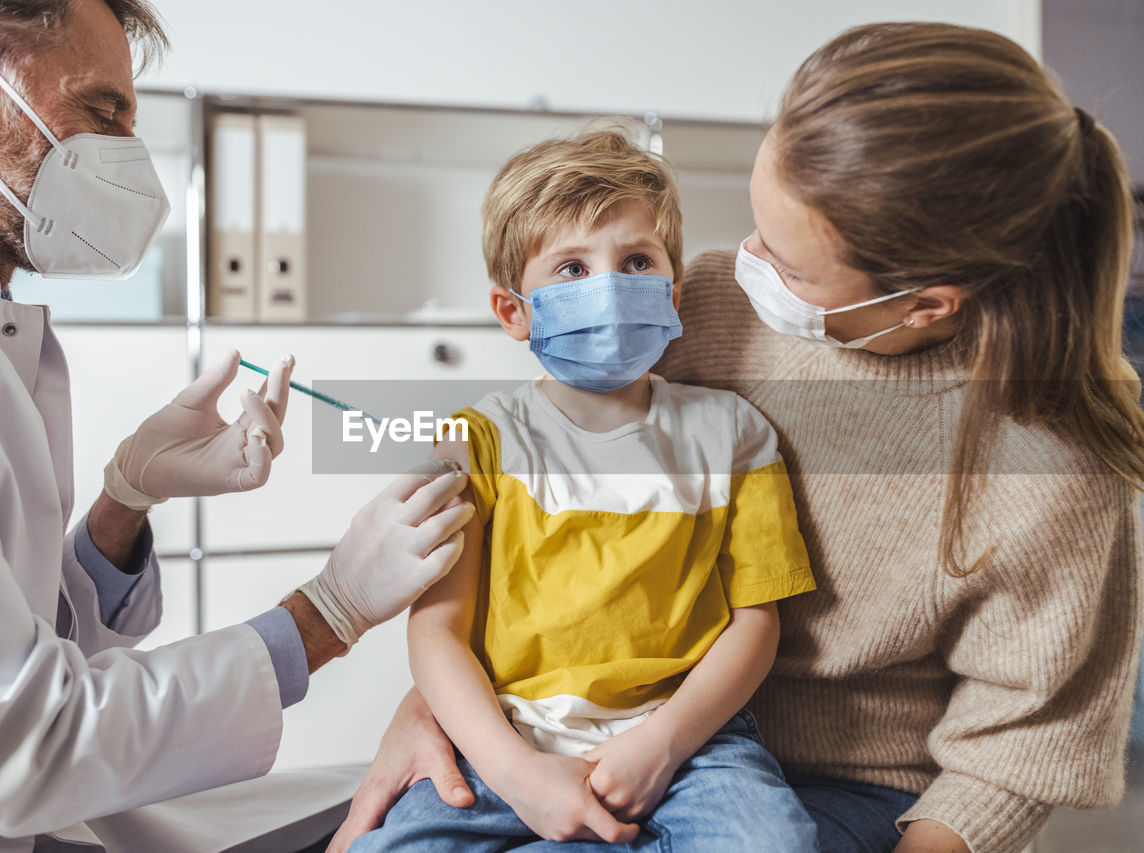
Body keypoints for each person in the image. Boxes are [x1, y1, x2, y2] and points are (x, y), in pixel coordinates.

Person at [329, 22, 1144, 853]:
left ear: (926, 303)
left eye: (786, 265)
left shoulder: (1060, 462)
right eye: (755, 226)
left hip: (856, 793)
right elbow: (543, 531)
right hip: (583, 731)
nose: (740, 265)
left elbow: (1020, 750)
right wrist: (449, 717)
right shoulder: (717, 303)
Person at [0, 2, 473, 851]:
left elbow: (15, 642)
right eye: (101, 110)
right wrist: (326, 613)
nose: (126, 159)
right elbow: (14, 738)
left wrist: (125, 500)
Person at [350, 130, 819, 851]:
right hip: (508, 735)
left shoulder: (737, 436)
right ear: (514, 312)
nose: (607, 284)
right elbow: (437, 629)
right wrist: (517, 771)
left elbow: (757, 623)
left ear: (674, 290)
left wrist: (662, 743)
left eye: (636, 260)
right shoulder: (476, 442)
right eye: (571, 267)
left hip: (695, 743)